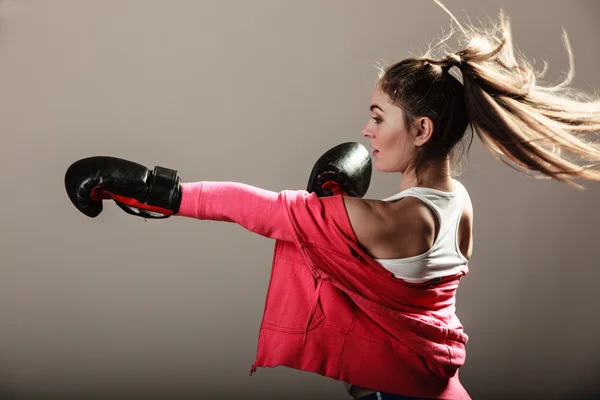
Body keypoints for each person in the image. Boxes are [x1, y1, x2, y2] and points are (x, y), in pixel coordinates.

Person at [64, 3, 600, 399]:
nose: (365, 131)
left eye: (377, 116)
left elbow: (256, 207)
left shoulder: (391, 218)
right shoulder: (456, 202)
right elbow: (400, 298)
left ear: (420, 129)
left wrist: (158, 189)